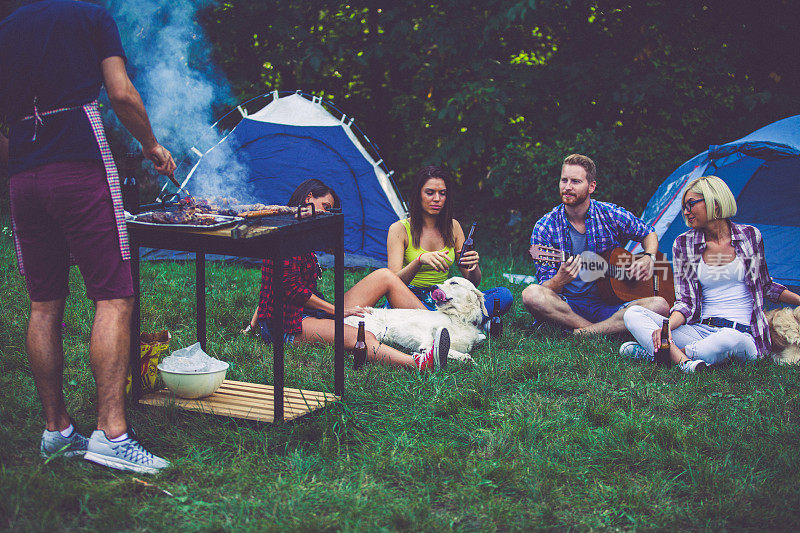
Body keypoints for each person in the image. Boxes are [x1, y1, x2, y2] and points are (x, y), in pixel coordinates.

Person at [0, 1, 176, 473]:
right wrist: (150, 144)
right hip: (78, 164)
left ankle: (55, 431)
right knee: (114, 296)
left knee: (43, 303)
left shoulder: (6, 27)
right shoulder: (90, 15)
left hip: (22, 174)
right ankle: (112, 435)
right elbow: (120, 94)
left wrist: (15, 178)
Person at [254, 179, 451, 371]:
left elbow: (271, 284)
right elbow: (290, 288)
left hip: (312, 313)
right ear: (308, 198)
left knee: (385, 276)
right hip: (288, 324)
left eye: (330, 210)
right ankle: (421, 363)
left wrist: (255, 320)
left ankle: (440, 328)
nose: (326, 213)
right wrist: (336, 311)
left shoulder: (303, 233)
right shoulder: (284, 232)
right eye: (325, 206)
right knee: (362, 336)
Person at [620, 176, 800, 372]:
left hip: (743, 335)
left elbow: (766, 286)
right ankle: (686, 362)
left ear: (714, 202)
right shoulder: (683, 244)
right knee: (633, 313)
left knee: (726, 340)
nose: (686, 212)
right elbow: (686, 303)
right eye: (684, 207)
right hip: (700, 330)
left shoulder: (750, 236)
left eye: (691, 204)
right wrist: (667, 328)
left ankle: (657, 355)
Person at [522, 154, 669, 334]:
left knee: (660, 305)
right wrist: (559, 280)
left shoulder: (609, 214)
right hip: (569, 306)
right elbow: (545, 288)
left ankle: (585, 332)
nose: (567, 187)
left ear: (591, 186)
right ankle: (596, 330)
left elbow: (648, 232)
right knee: (531, 294)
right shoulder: (545, 227)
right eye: (564, 180)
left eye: (575, 181)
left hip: (611, 304)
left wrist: (648, 257)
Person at [386, 165, 513, 329]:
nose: (437, 198)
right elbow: (393, 283)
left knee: (503, 295)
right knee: (402, 311)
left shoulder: (453, 227)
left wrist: (473, 267)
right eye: (430, 192)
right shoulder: (399, 229)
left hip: (443, 298)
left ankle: (444, 324)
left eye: (442, 193)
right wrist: (419, 261)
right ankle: (465, 324)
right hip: (409, 298)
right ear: (418, 195)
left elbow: (472, 282)